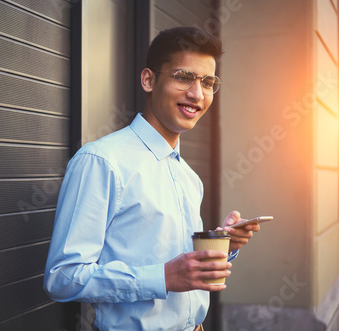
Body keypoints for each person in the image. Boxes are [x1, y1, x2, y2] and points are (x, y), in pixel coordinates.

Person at [43, 27, 260, 331]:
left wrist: (224, 242)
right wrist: (163, 278)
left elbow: (176, 262)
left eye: (208, 82)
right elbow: (63, 277)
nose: (197, 94)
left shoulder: (189, 177)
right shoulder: (102, 161)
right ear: (149, 80)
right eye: (184, 77)